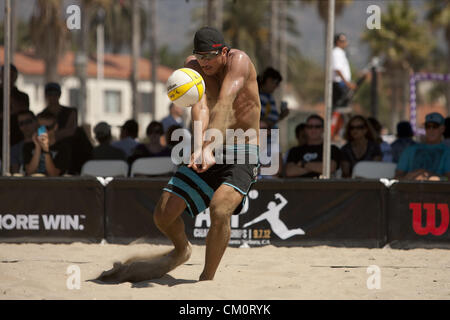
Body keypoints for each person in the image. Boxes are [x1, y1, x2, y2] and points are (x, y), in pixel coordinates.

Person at [97, 26, 261, 283]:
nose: (204, 62)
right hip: (209, 144)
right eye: (200, 56)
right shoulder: (193, 66)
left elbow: (225, 104)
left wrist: (208, 147)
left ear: (224, 52)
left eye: (210, 56)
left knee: (219, 210)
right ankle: (182, 250)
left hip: (243, 148)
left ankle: (206, 279)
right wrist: (199, 147)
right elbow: (202, 106)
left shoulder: (238, 61)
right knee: (163, 214)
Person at [395, 112, 450, 181]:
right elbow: (397, 176)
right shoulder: (410, 150)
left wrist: (431, 176)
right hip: (410, 189)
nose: (431, 130)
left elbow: (448, 178)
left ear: (442, 128)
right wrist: (409, 177)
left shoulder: (447, 152)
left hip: (436, 190)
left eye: (435, 126)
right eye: (428, 126)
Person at [23, 110, 72, 176]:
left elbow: (53, 175)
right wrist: (38, 147)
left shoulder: (63, 148)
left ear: (55, 127)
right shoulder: (28, 147)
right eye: (40, 128)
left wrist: (46, 149)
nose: (44, 132)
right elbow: (29, 173)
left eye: (47, 128)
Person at [330, 34, 357, 140]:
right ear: (337, 42)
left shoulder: (341, 53)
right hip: (339, 84)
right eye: (343, 40)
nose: (346, 42)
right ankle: (334, 133)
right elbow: (337, 69)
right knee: (339, 109)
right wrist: (347, 83)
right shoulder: (336, 52)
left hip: (342, 84)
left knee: (343, 110)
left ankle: (338, 133)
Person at [0, 64, 30, 152]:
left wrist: (8, 92)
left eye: (11, 75)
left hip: (16, 137)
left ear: (16, 77)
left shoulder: (22, 96)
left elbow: (23, 111)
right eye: (5, 75)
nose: (8, 78)